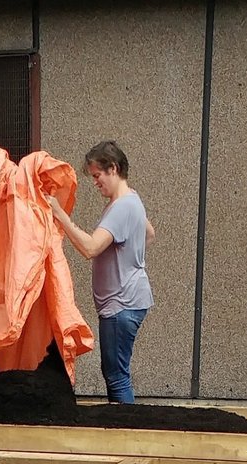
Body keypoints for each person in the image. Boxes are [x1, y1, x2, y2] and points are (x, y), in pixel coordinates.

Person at [47, 140, 154, 403]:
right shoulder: (132, 200)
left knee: (116, 376)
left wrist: (60, 215)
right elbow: (149, 233)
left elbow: (90, 248)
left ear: (113, 169)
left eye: (97, 175)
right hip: (128, 300)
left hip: (121, 304)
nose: (95, 182)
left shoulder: (122, 207)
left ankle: (125, 434)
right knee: (117, 372)